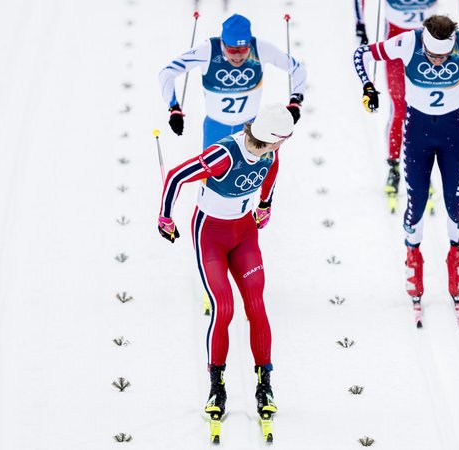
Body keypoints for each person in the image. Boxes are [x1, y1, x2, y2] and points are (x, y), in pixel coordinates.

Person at [353, 14, 459, 324]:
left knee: (455, 206)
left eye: (444, 56)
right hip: (416, 135)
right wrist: (368, 86)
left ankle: (457, 267)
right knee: (415, 206)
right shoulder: (407, 42)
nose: (439, 62)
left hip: (452, 134)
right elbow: (361, 54)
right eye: (432, 56)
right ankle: (413, 266)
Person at [156, 104, 294, 428]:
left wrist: (265, 205)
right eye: (283, 140)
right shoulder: (224, 155)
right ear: (271, 137)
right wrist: (165, 216)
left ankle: (265, 385)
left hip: (244, 234)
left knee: (257, 305)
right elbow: (177, 176)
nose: (282, 146)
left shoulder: (270, 154)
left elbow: (271, 174)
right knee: (225, 307)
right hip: (211, 237)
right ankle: (216, 386)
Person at [353, 0, 459, 201]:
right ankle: (394, 167)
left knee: (426, 110)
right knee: (400, 109)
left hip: (433, 45)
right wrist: (360, 25)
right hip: (398, 40)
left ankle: (422, 170)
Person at [158, 13, 306, 150]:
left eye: (243, 50)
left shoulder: (261, 49)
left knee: (250, 176)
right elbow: (167, 72)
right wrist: (174, 109)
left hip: (252, 128)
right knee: (212, 177)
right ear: (222, 43)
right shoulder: (207, 50)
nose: (238, 56)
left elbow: (298, 69)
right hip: (216, 127)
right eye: (232, 50)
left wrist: (295, 102)